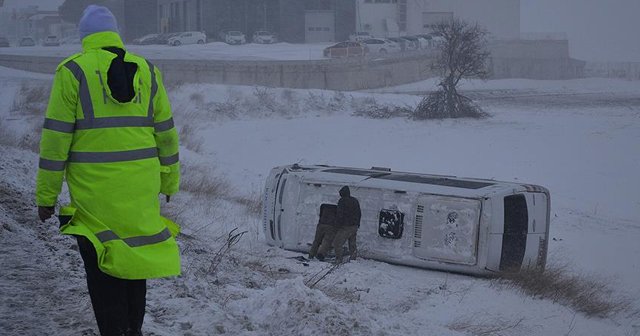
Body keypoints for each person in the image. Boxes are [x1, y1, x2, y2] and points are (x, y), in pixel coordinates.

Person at [35, 5, 181, 336]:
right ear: (116, 34)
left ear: (84, 37)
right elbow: (167, 134)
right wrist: (169, 180)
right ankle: (133, 330)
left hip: (93, 198)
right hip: (141, 193)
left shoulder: (73, 71)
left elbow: (55, 141)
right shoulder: (147, 70)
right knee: (134, 264)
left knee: (103, 271)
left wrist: (46, 196)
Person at [332, 186, 361, 264]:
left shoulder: (342, 201)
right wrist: (358, 223)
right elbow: (359, 213)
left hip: (346, 227)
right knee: (352, 242)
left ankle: (338, 259)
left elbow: (339, 215)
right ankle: (353, 258)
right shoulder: (355, 200)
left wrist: (336, 225)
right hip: (354, 226)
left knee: (337, 242)